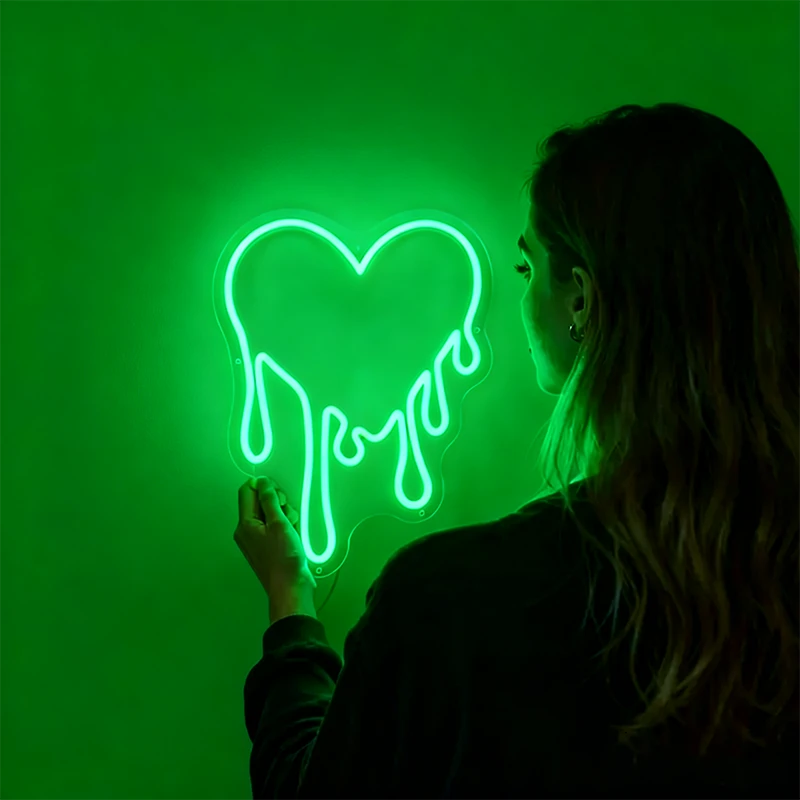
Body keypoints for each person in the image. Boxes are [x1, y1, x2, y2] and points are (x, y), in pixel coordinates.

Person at [234, 103, 800, 797]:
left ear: (582, 300)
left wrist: (290, 602)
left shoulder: (449, 602)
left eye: (529, 268)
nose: (521, 294)